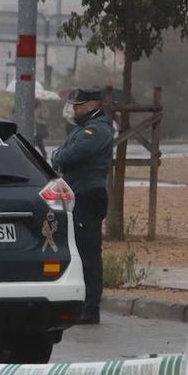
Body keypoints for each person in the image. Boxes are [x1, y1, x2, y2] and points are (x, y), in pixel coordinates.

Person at [50, 87, 114, 325]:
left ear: (92, 105)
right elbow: (60, 153)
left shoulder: (96, 131)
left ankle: (91, 307)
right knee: (78, 252)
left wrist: (60, 155)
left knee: (89, 255)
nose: (74, 109)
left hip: (88, 195)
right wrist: (59, 155)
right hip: (77, 194)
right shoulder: (82, 130)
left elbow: (67, 156)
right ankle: (82, 304)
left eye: (78, 105)